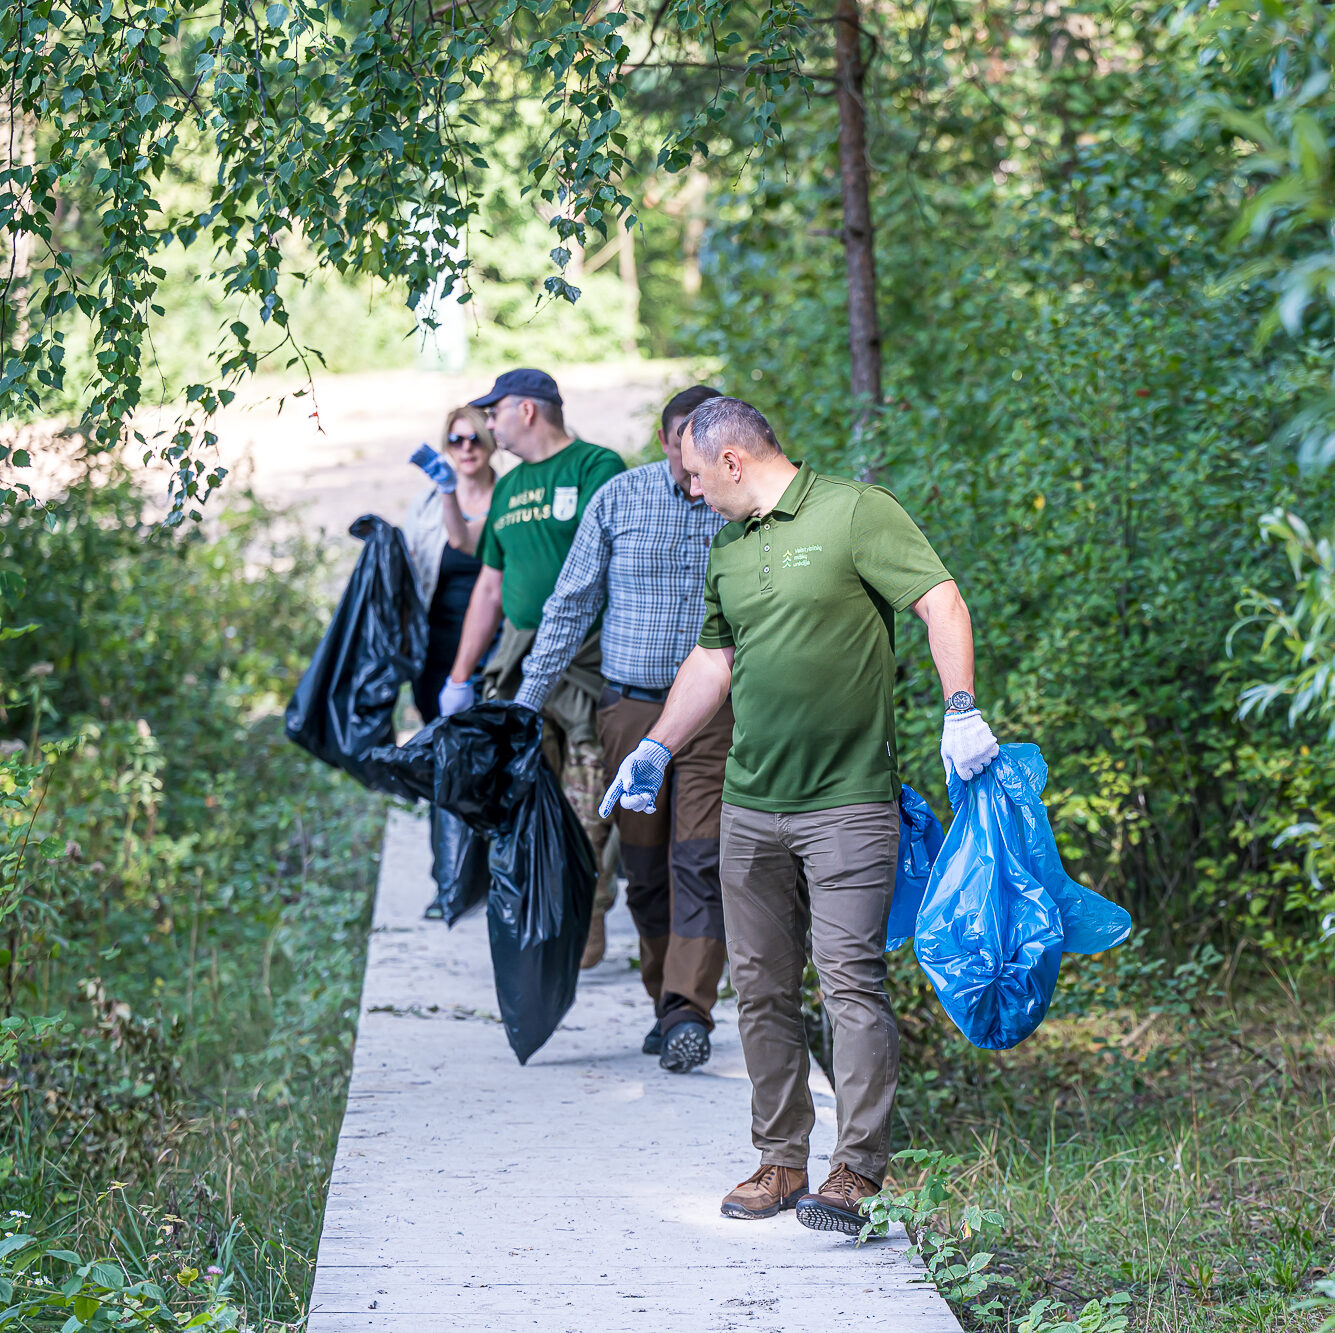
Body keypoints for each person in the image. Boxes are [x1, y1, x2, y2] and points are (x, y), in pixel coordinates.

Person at [599, 396, 1000, 1234]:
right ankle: (780, 1160)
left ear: (734, 461)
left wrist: (959, 706)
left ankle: (854, 1172)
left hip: (848, 801)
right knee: (759, 987)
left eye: (698, 476)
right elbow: (712, 659)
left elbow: (941, 602)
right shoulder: (728, 547)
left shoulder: (856, 512)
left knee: (850, 981)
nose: (694, 491)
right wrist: (660, 747)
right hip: (750, 803)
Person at [515, 385, 730, 1074]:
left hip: (713, 715)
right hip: (629, 713)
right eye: (682, 441)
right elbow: (569, 605)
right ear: (666, 440)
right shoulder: (618, 499)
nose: (693, 457)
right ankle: (665, 999)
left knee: (698, 860)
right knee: (643, 873)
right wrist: (524, 703)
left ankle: (687, 1010)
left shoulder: (738, 506)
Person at [437, 369, 626, 964]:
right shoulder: (509, 489)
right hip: (520, 672)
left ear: (527, 411)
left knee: (589, 806)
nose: (487, 425)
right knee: (520, 806)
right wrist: (460, 676)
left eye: (494, 413)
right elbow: (489, 588)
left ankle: (589, 912)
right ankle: (545, 925)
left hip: (591, 666)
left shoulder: (597, 468)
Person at [403, 405, 499, 722]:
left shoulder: (510, 499)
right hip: (435, 648)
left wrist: (449, 491)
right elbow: (409, 571)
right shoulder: (426, 505)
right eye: (456, 440)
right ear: (447, 446)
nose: (467, 447)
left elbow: (464, 539)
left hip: (493, 650)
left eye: (476, 439)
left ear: (492, 442)